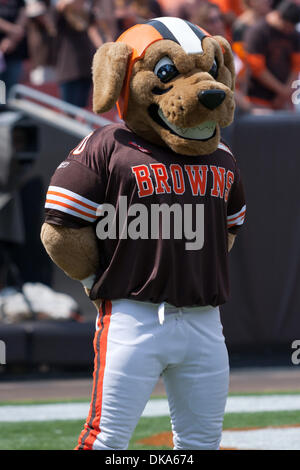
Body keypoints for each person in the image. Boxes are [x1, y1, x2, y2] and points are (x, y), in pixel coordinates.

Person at [244, 0, 300, 110]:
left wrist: (285, 93)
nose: (289, 30)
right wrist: (282, 91)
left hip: (285, 100)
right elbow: (257, 69)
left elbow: (296, 65)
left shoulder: (293, 35)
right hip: (259, 98)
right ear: (278, 16)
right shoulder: (258, 32)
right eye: (287, 26)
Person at [54, 0, 103, 107]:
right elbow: (59, 8)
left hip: (85, 68)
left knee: (81, 109)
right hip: (68, 71)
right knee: (68, 110)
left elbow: (94, 32)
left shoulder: (87, 14)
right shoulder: (62, 16)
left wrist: (104, 49)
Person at [0, 0, 27, 93]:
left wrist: (11, 40)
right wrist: (13, 30)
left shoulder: (18, 2)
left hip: (14, 53)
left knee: (10, 90)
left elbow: (23, 18)